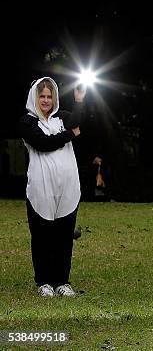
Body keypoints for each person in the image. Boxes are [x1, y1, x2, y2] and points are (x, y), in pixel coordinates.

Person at [17, 77, 85, 297]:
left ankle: (62, 282)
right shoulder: (26, 122)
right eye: (42, 96)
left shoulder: (62, 118)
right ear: (34, 98)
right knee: (42, 236)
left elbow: (77, 120)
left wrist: (79, 100)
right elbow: (43, 144)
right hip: (41, 188)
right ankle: (44, 282)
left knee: (64, 235)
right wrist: (69, 135)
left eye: (49, 96)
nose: (46, 100)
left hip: (67, 186)